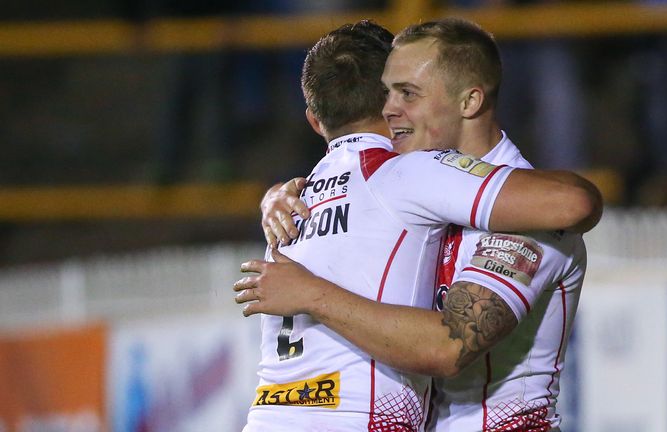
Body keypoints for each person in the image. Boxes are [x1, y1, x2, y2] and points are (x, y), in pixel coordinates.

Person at [235, 20, 601, 432]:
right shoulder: (413, 188)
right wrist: (278, 196)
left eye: (407, 93)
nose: (389, 109)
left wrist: (311, 294)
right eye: (387, 92)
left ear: (469, 101)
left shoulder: (529, 214)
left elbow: (449, 345)